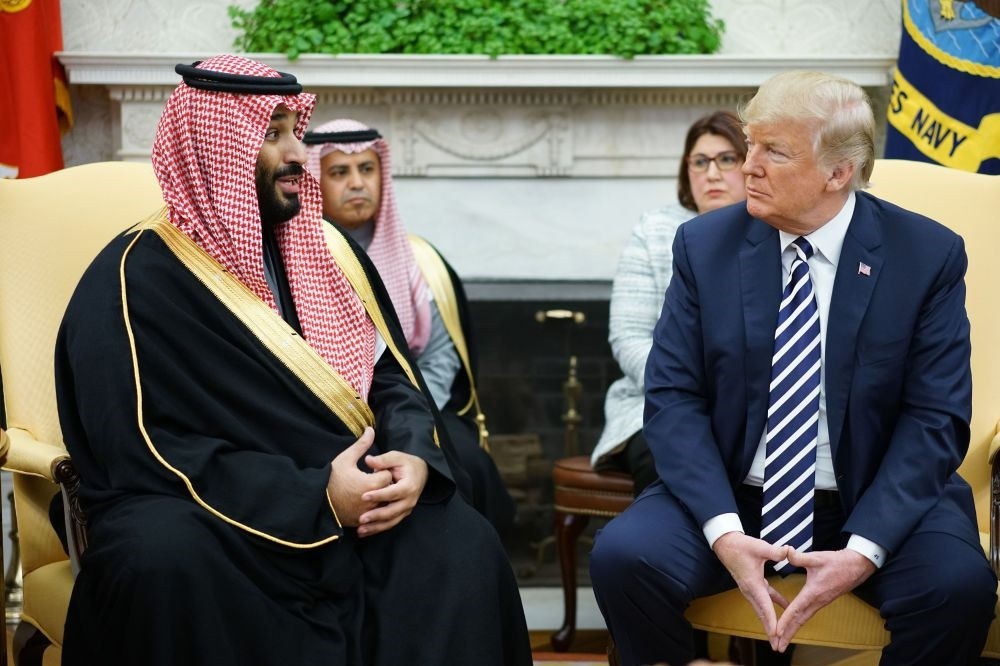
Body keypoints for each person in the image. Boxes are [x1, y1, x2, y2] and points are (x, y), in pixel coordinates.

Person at [54, 55, 531, 666]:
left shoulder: (324, 253)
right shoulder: (130, 279)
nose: (300, 153)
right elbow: (139, 446)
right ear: (214, 149)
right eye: (274, 134)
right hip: (214, 514)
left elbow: (389, 378)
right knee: (159, 560)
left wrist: (411, 454)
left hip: (354, 500)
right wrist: (316, 498)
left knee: (460, 542)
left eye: (296, 131)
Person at [590, 70, 996, 666]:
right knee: (625, 558)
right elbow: (674, 399)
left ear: (839, 172)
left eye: (772, 152)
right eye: (749, 145)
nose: (746, 167)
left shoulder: (926, 255)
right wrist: (725, 534)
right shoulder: (704, 247)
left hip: (875, 496)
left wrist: (864, 550)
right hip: (736, 493)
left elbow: (934, 417)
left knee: (956, 589)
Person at [303, 119, 516, 534]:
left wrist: (411, 415)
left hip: (417, 407)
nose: (357, 183)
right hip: (326, 414)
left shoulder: (420, 261)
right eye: (339, 172)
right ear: (314, 178)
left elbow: (437, 356)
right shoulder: (293, 257)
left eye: (367, 169)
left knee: (467, 463)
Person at [591, 110, 747, 496]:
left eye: (727, 159)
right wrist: (685, 389)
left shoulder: (777, 229)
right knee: (672, 454)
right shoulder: (656, 229)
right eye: (699, 161)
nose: (711, 173)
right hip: (656, 405)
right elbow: (629, 337)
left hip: (753, 409)